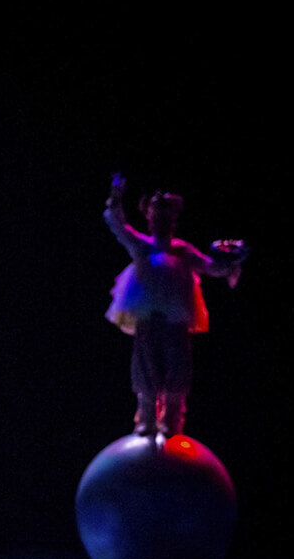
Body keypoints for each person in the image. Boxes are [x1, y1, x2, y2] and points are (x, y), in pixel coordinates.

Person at [104, 174, 248, 436]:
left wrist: (229, 263)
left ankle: (171, 419)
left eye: (167, 216)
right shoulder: (142, 246)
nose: (162, 220)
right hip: (148, 315)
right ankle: (147, 417)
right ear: (149, 218)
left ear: (173, 220)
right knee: (146, 364)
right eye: (156, 215)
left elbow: (209, 266)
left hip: (175, 318)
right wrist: (115, 198)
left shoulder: (182, 250)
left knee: (177, 366)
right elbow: (118, 225)